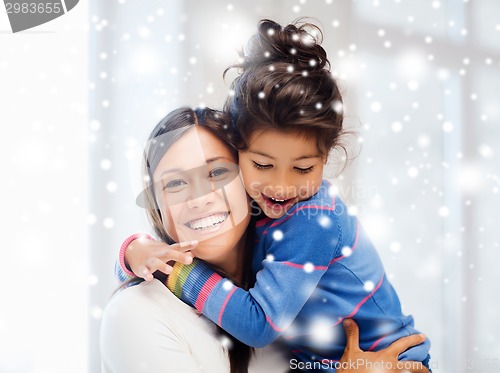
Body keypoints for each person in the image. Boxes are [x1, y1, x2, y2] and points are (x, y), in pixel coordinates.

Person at [114, 19, 432, 372]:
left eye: (303, 169)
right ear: (240, 151)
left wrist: (172, 270)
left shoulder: (312, 222)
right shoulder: (258, 212)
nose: (281, 187)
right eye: (263, 165)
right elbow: (148, 264)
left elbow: (258, 325)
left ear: (326, 159)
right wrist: (134, 252)